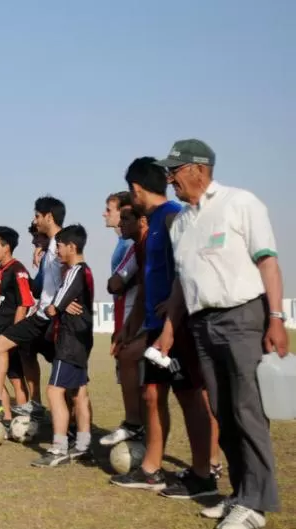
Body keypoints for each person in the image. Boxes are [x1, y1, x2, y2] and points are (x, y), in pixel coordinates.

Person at [161, 139, 287, 529]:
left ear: (199, 169)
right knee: (222, 409)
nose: (170, 178)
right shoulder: (180, 222)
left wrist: (277, 318)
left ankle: (257, 503)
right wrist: (169, 327)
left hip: (243, 316)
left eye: (175, 170)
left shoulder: (240, 203)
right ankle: (239, 492)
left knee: (247, 410)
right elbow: (183, 282)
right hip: (202, 323)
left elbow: (267, 261)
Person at [109, 157, 218, 499]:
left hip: (179, 327)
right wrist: (135, 324)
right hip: (156, 329)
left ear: (137, 189)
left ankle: (204, 473)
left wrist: (174, 311)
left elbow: (191, 268)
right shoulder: (151, 225)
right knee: (152, 395)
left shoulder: (173, 216)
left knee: (190, 397)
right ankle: (152, 470)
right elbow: (145, 281)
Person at [0, 196, 66, 422]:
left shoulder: (59, 246)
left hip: (52, 319)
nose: (35, 223)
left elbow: (27, 299)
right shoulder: (46, 254)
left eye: (37, 217)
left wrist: (67, 300)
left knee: (69, 382)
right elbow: (39, 289)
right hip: (42, 317)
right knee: (16, 353)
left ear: (48, 217)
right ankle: (19, 407)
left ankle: (23, 407)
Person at [30, 225, 95, 467]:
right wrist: (61, 304)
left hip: (69, 342)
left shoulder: (76, 271)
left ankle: (59, 448)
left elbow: (52, 306)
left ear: (71, 246)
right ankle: (83, 446)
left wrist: (58, 306)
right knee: (79, 392)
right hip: (79, 340)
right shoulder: (82, 271)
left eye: (59, 246)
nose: (56, 250)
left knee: (54, 391)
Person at [100, 200, 147, 446]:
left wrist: (117, 281)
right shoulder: (124, 243)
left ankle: (137, 427)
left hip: (137, 319)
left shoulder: (133, 243)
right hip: (126, 318)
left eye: (109, 209)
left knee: (143, 383)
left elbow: (117, 282)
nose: (104, 214)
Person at [0, 226, 34, 428]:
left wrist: (15, 334)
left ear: (7, 248)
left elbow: (25, 302)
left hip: (11, 335)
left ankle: (23, 421)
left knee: (15, 378)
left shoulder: (18, 270)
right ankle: (6, 417)